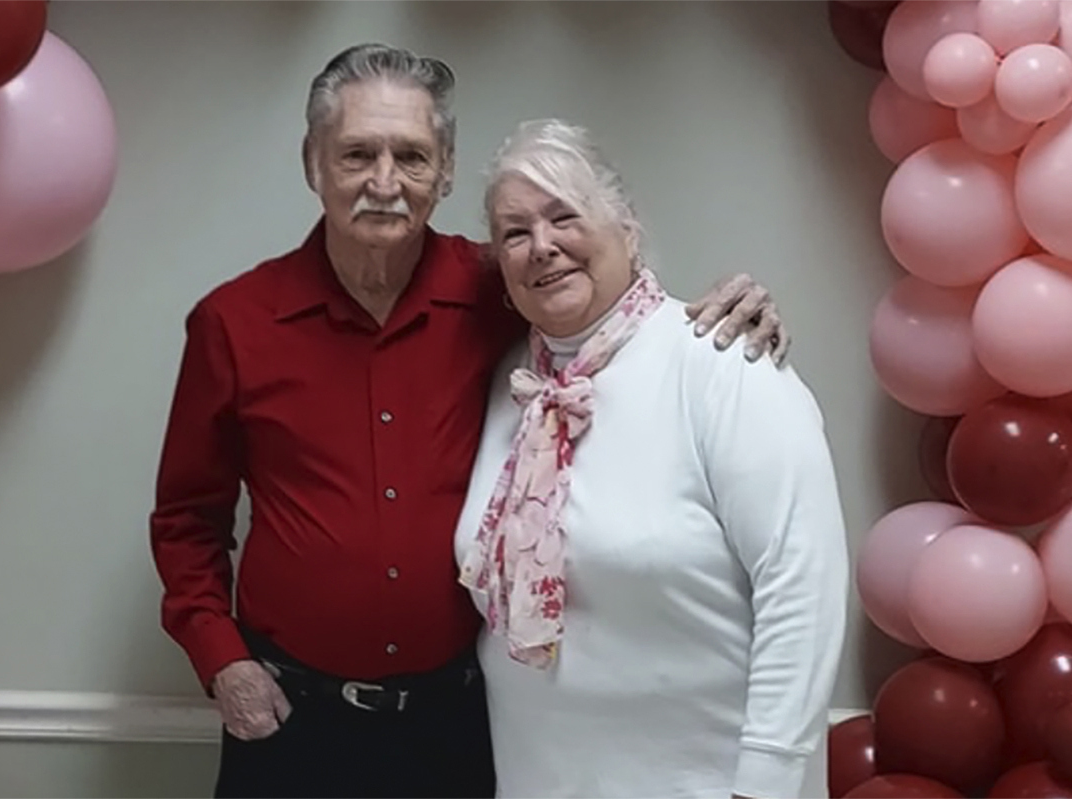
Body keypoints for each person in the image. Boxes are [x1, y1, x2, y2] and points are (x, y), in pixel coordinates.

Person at [149, 44, 789, 799]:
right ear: (312, 163)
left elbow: (611, 313)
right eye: (357, 154)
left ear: (445, 171)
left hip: (455, 725)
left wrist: (719, 314)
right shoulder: (234, 322)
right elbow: (187, 519)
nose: (385, 183)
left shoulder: (502, 288)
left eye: (412, 157)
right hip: (293, 721)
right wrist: (220, 656)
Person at [454, 119, 849, 799]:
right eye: (514, 233)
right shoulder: (507, 386)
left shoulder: (722, 363)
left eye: (564, 216)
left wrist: (767, 779)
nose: (541, 246)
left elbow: (802, 583)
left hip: (710, 783)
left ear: (627, 227)